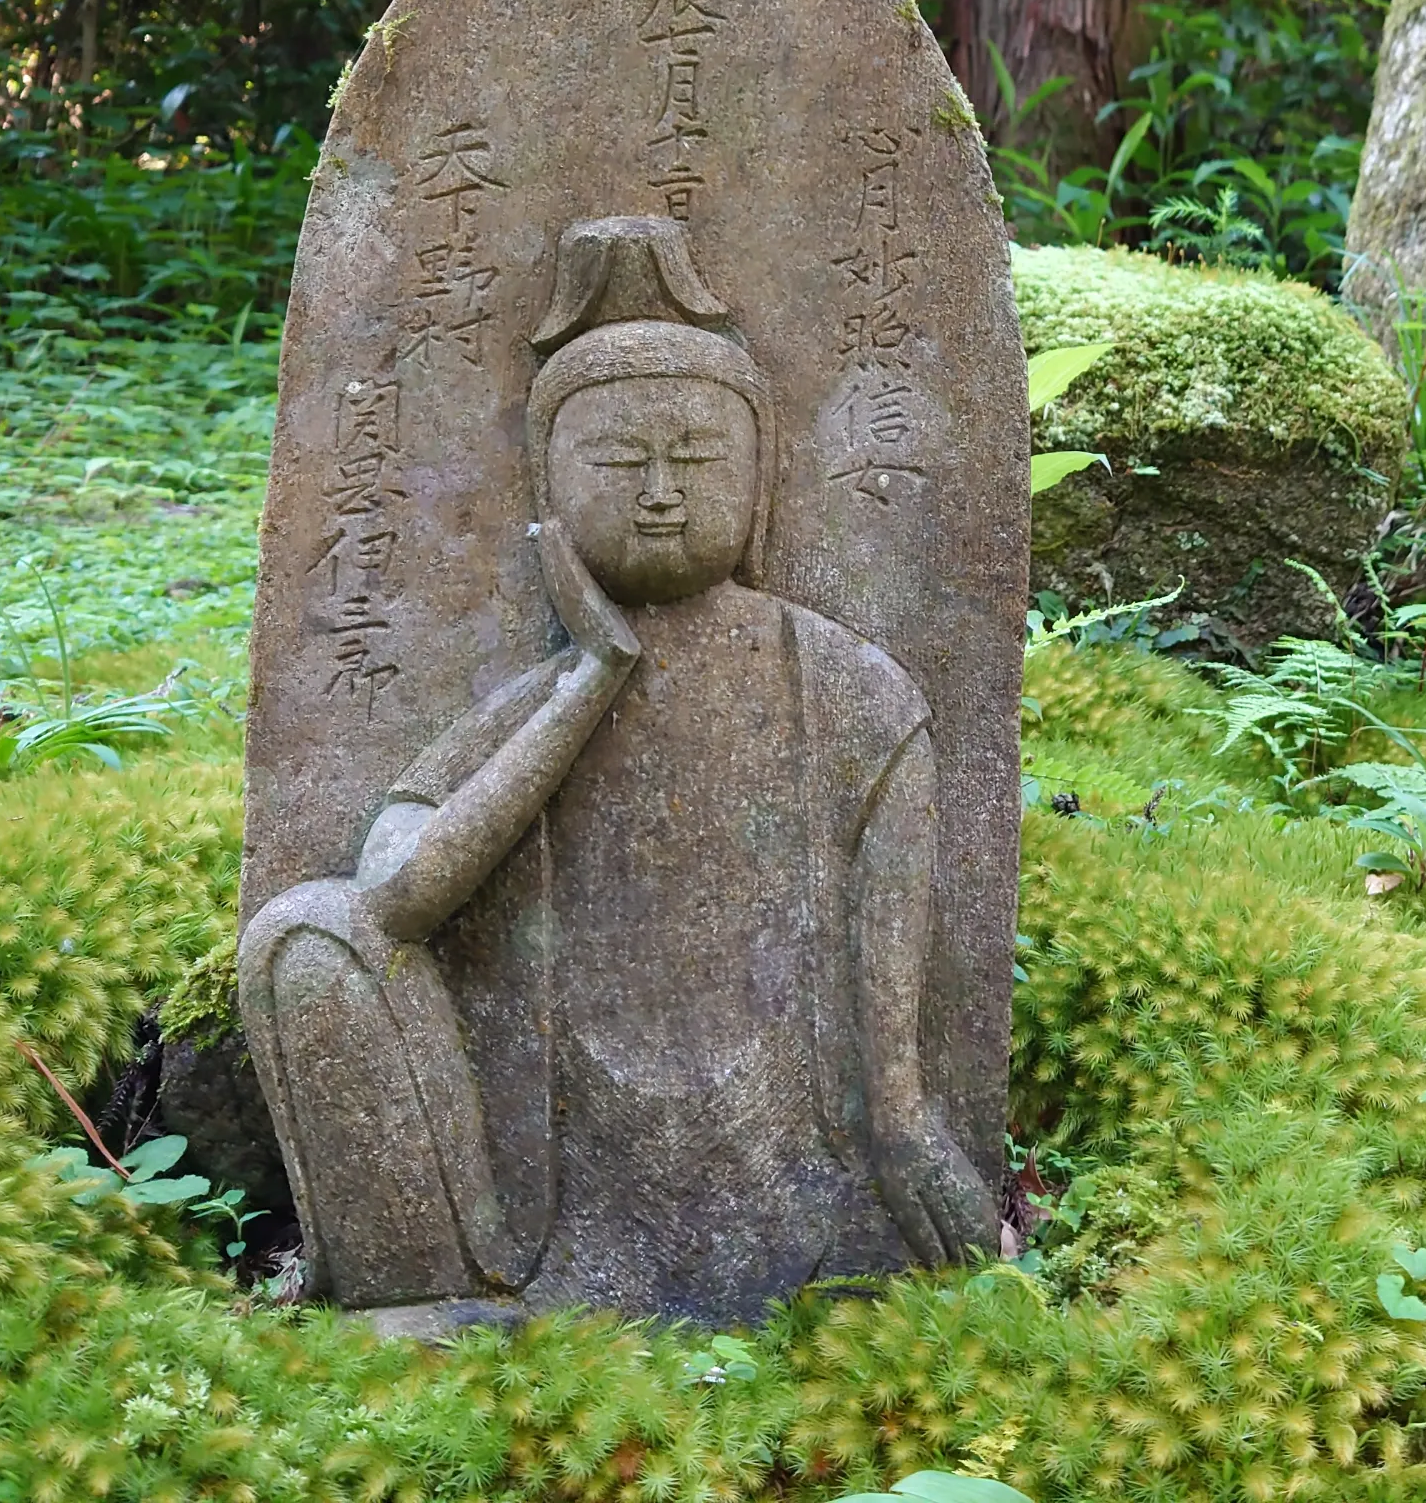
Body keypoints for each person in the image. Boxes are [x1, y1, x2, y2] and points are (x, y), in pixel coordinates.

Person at [239, 216, 993, 1323]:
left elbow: (889, 971)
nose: (658, 492)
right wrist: (591, 679)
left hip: (779, 1156)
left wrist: (905, 1119)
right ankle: (428, 1303)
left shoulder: (849, 691)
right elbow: (395, 899)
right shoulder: (531, 706)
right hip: (550, 1165)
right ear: (548, 493)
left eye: (694, 459)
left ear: (760, 486)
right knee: (305, 935)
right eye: (617, 460)